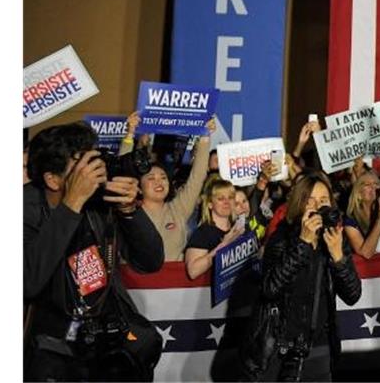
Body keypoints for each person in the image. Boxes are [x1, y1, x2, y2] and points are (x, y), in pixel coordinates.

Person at [24, 122, 164, 381]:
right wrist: (72, 203)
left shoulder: (100, 202)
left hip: (106, 346)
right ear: (52, 179)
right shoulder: (26, 208)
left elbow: (150, 261)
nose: (94, 173)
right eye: (82, 168)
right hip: (51, 351)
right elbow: (29, 281)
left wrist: (129, 210)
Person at [243, 172, 362, 381]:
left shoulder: (335, 240)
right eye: (311, 201)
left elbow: (352, 295)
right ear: (299, 204)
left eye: (323, 200)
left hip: (319, 348)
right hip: (279, 350)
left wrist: (338, 258)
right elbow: (270, 289)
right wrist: (302, 244)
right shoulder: (281, 238)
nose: (318, 206)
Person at [129, 115, 214, 262]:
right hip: (136, 283)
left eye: (163, 177)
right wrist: (130, 135)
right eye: (151, 178)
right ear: (139, 187)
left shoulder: (178, 209)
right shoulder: (129, 213)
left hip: (173, 283)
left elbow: (197, 177)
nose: (159, 182)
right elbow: (123, 177)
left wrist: (205, 137)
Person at [184, 178, 246, 279]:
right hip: (212, 293)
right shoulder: (203, 232)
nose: (227, 202)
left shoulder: (238, 228)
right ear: (210, 204)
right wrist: (224, 245)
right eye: (220, 198)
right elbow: (193, 271)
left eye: (230, 197)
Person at [342, 170, 380, 258]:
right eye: (367, 185)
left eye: (376, 184)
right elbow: (366, 253)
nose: (374, 187)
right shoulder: (350, 221)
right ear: (358, 194)